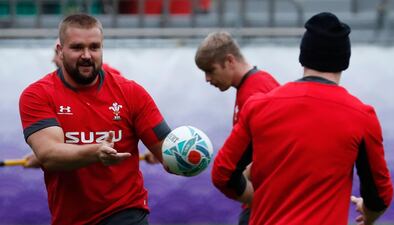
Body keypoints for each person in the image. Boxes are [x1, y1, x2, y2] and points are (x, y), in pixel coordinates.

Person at [211, 12, 393, 225]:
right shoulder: (362, 116)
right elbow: (379, 195)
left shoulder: (258, 106)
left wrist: (254, 198)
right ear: (344, 60)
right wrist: (370, 213)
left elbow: (223, 173)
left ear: (303, 55)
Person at [19, 13, 172, 225]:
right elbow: (49, 155)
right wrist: (95, 151)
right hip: (70, 218)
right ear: (60, 51)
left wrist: (183, 156)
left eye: (94, 47)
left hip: (126, 212)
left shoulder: (131, 92)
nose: (87, 55)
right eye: (77, 47)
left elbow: (166, 151)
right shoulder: (37, 95)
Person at [194, 31, 280, 225]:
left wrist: (250, 192)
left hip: (266, 205)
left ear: (230, 60)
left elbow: (272, 151)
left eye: (210, 70)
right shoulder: (253, 86)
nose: (207, 79)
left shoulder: (255, 92)